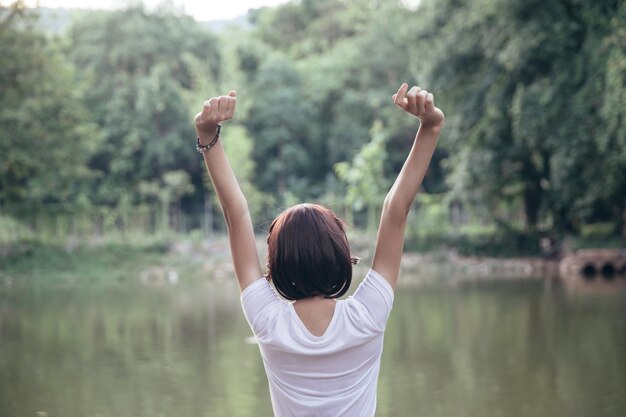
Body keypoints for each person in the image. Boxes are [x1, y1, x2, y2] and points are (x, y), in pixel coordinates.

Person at [194, 83, 444, 417]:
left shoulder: (269, 322)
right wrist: (430, 127)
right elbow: (396, 209)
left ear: (276, 266)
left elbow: (235, 214)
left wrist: (208, 135)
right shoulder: (367, 316)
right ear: (341, 255)